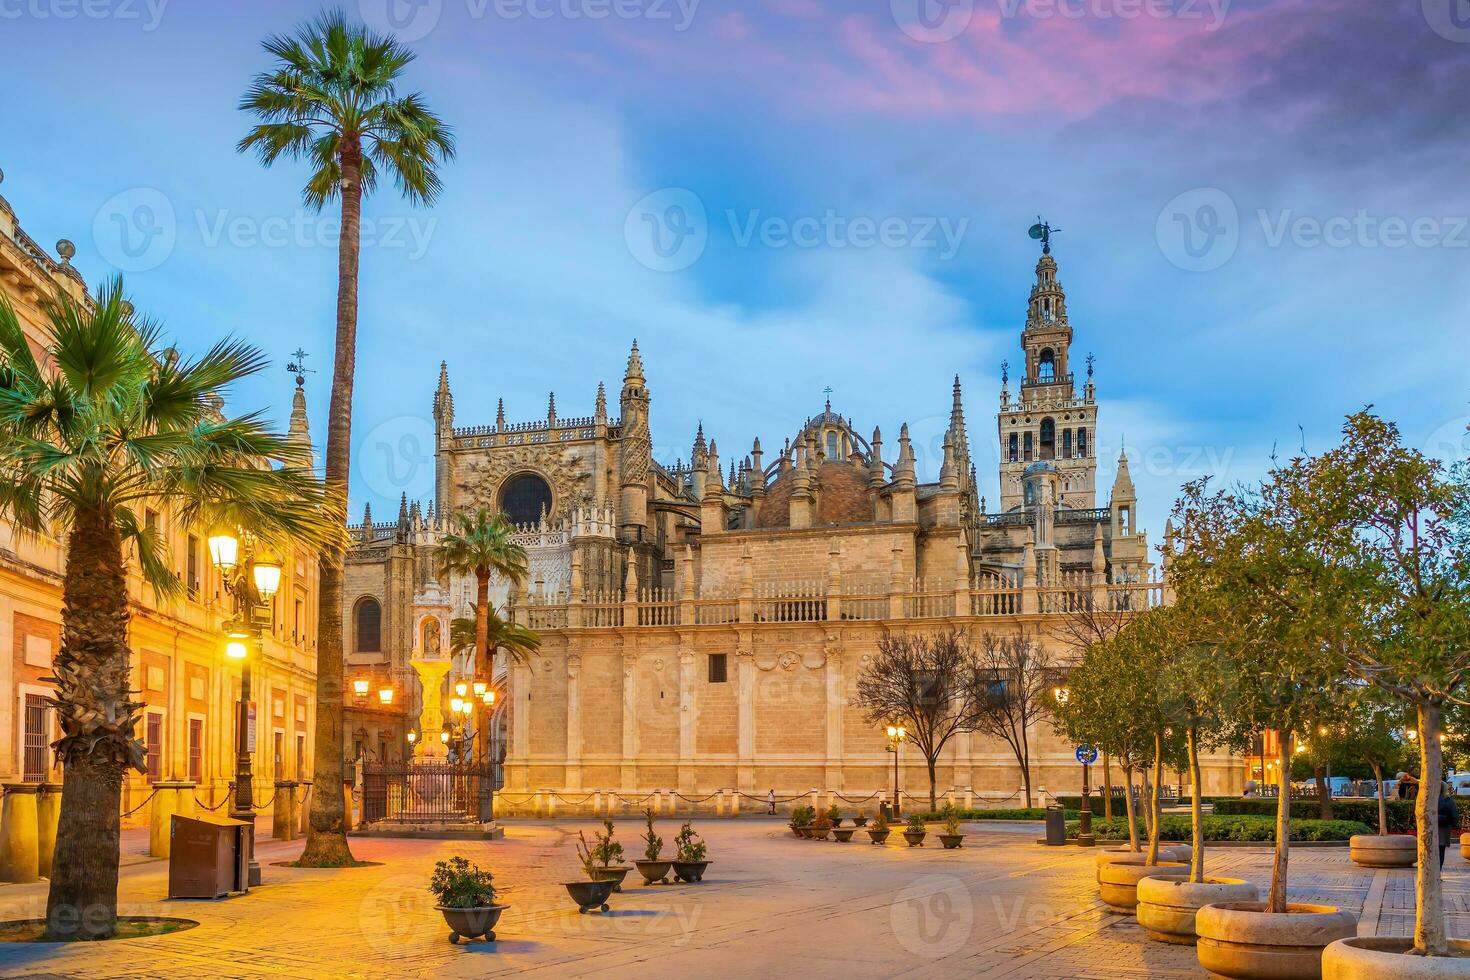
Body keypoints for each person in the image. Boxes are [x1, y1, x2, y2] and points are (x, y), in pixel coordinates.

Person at [1440, 781, 1460, 868]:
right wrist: (1453, 824)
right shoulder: (1449, 800)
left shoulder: (1427, 799)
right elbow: (1455, 816)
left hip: (1429, 829)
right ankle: (1437, 872)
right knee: (1441, 851)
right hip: (1444, 829)